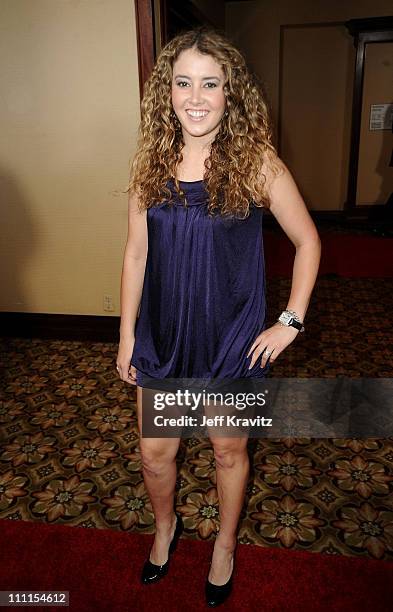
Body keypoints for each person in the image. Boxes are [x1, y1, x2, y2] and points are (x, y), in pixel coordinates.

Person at [116, 26, 321, 607]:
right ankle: (165, 529)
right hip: (165, 337)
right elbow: (136, 253)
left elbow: (308, 241)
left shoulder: (256, 162)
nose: (196, 96)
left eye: (211, 83)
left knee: (229, 451)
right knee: (156, 453)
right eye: (184, 83)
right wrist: (127, 334)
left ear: (232, 93)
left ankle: (224, 545)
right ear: (168, 92)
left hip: (231, 339)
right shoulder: (151, 162)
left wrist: (290, 321)